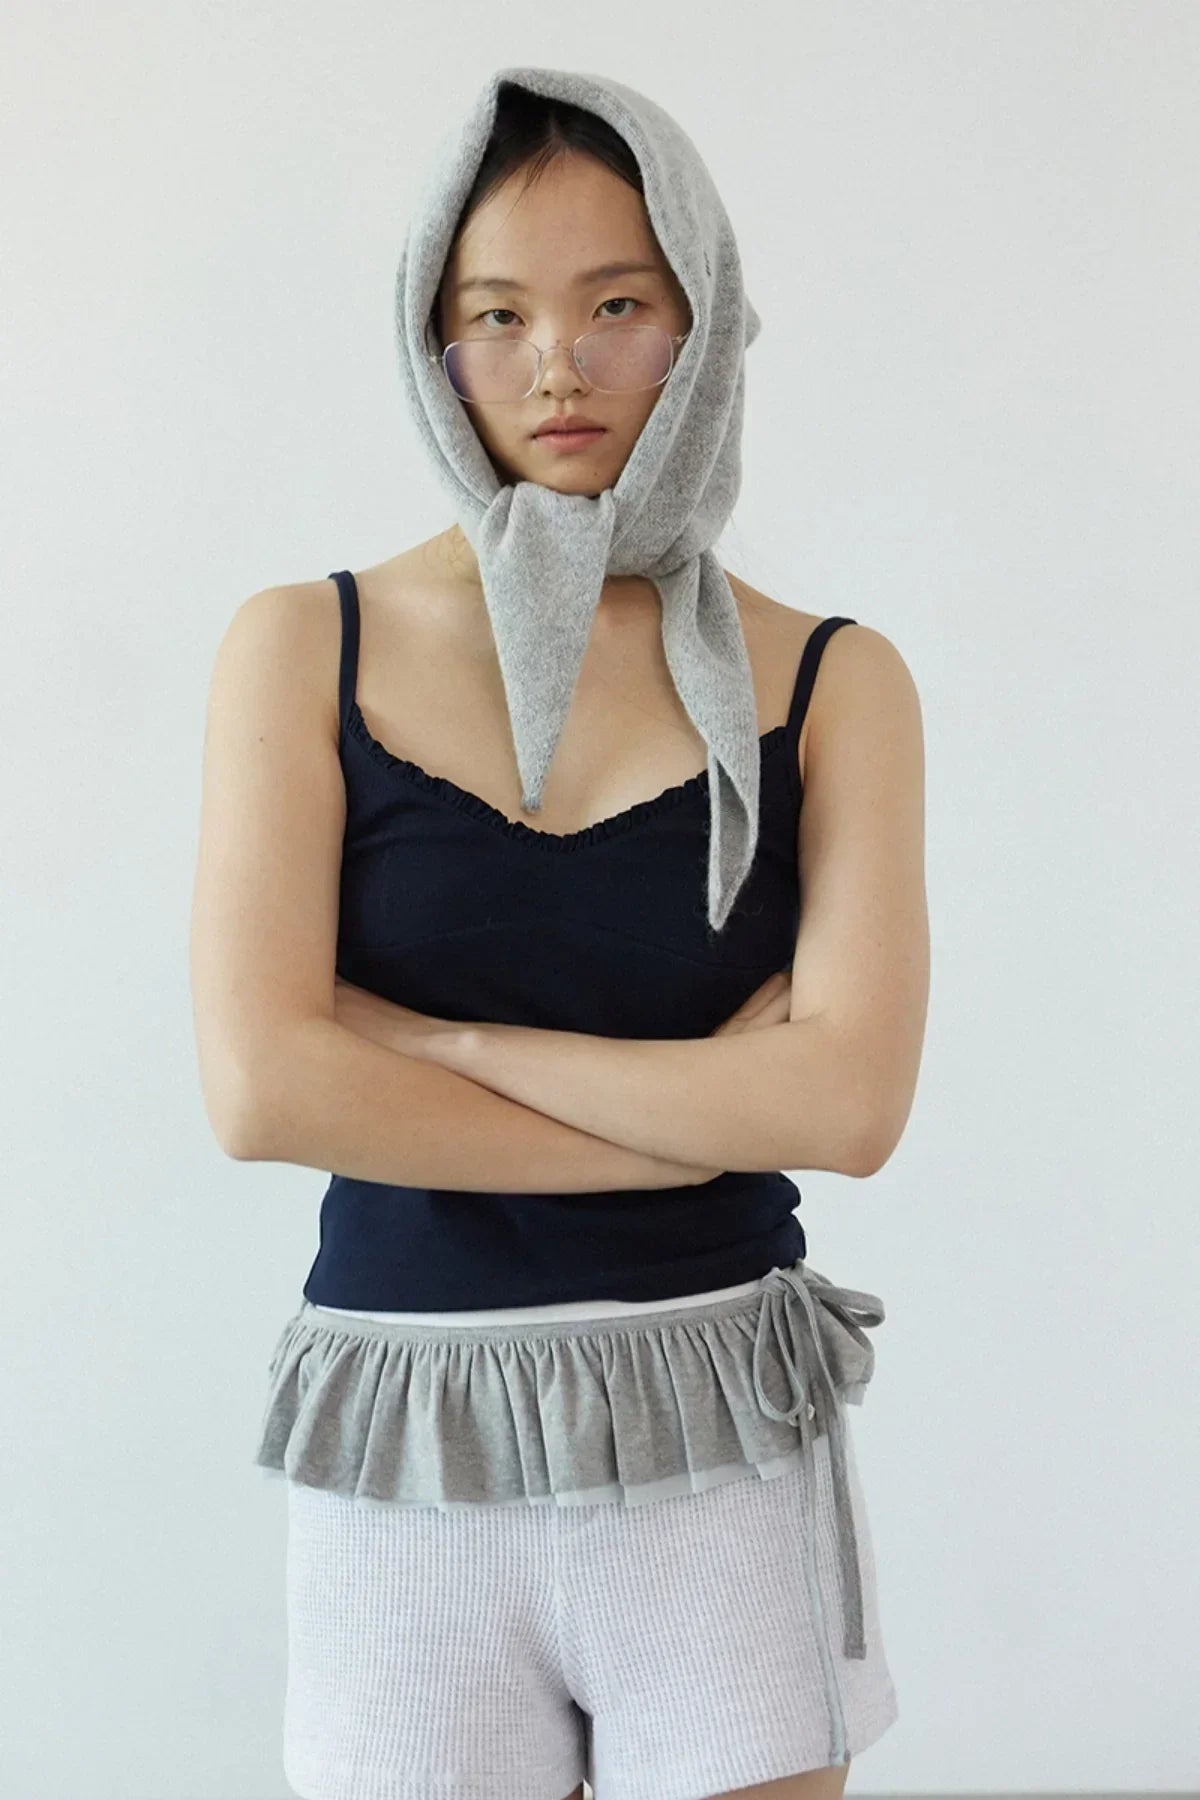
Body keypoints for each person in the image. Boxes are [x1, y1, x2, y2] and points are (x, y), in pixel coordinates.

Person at [191, 67, 928, 1800]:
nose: (555, 366)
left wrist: (439, 1045)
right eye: (496, 314)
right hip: (406, 1441)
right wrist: (689, 1110)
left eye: (620, 307)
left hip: (721, 1436)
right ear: (430, 342)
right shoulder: (304, 644)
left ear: (705, 319)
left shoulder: (835, 680)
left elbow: (848, 1110)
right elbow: (261, 1089)